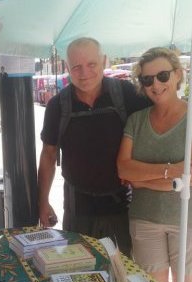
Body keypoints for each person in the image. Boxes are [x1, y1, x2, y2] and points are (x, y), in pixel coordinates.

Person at [117, 47, 192, 282]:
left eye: (162, 76)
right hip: (146, 218)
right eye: (147, 80)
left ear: (178, 75)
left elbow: (191, 177)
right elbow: (124, 169)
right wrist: (171, 171)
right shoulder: (136, 120)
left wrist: (142, 179)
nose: (155, 85)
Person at [38, 37, 151, 256]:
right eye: (77, 67)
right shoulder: (57, 106)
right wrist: (42, 201)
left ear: (104, 61)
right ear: (68, 68)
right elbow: (48, 155)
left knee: (123, 273)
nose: (84, 73)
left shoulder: (125, 94)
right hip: (78, 207)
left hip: (122, 206)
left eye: (91, 64)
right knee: (81, 270)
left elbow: (162, 114)